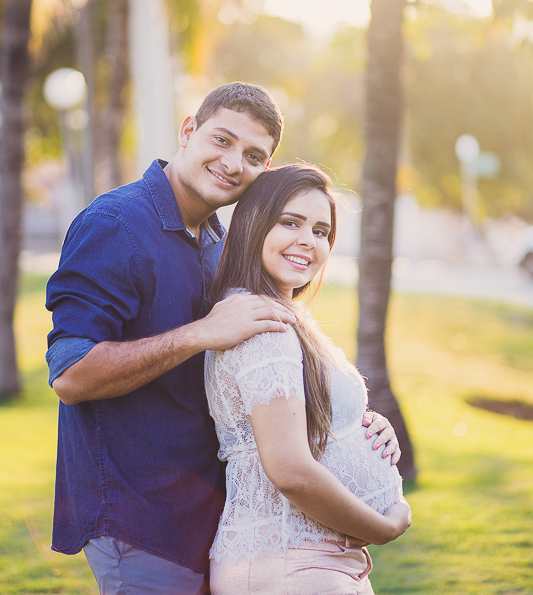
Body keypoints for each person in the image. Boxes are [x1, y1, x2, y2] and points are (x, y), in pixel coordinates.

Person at [46, 81, 399, 595]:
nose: (234, 163)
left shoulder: (218, 244)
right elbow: (71, 375)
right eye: (223, 141)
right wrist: (200, 333)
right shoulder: (115, 224)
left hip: (210, 517)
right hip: (138, 514)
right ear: (189, 131)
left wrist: (356, 427)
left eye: (254, 156)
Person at [205, 164, 411, 595]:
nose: (308, 241)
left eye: (321, 231)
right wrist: (387, 526)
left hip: (305, 561)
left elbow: (303, 421)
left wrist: (363, 426)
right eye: (290, 222)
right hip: (291, 565)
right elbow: (290, 471)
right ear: (254, 225)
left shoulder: (279, 315)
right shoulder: (264, 325)